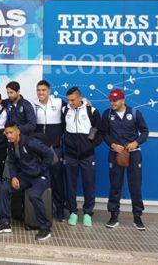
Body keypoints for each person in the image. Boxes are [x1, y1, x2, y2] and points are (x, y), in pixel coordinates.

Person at [0, 124, 54, 241]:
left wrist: (41, 170)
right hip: (25, 176)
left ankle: (45, 228)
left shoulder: (30, 142)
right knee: (5, 188)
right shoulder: (11, 145)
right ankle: (4, 222)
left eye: (11, 133)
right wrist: (14, 177)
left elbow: (49, 154)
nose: (9, 136)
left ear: (18, 132)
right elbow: (11, 162)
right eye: (7, 133)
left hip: (40, 177)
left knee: (33, 195)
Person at [102, 88, 149, 231]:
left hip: (133, 154)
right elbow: (104, 133)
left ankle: (137, 217)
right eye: (110, 100)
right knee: (115, 185)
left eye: (115, 100)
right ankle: (114, 216)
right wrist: (112, 144)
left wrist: (136, 142)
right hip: (115, 154)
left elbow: (145, 132)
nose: (112, 103)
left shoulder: (135, 113)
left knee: (135, 185)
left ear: (123, 100)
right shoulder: (107, 114)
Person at [61, 87, 102, 227]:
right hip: (70, 155)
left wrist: (90, 145)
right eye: (68, 100)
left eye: (72, 100)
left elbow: (99, 130)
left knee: (89, 184)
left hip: (87, 155)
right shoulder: (65, 110)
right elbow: (62, 128)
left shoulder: (92, 111)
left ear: (80, 98)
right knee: (70, 185)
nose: (70, 102)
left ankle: (87, 213)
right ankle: (72, 211)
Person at [33, 80, 66, 222]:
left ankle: (59, 210)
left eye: (43, 90)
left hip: (55, 150)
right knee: (41, 179)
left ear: (49, 91)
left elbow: (75, 107)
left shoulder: (59, 103)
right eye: (38, 90)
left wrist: (85, 102)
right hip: (39, 151)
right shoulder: (33, 105)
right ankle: (44, 208)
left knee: (57, 180)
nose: (41, 93)